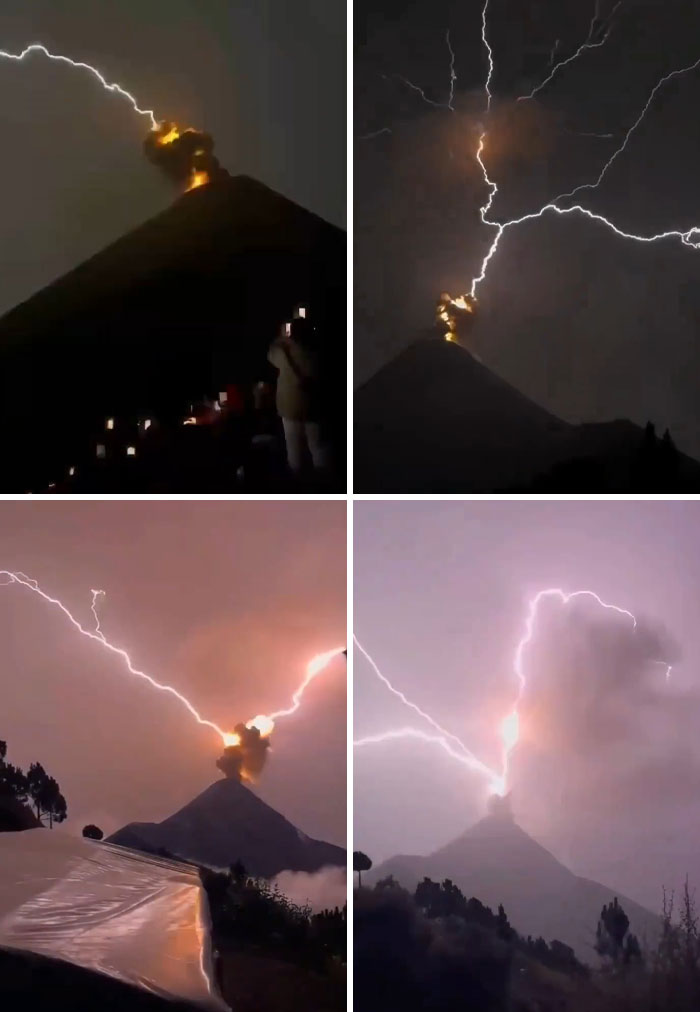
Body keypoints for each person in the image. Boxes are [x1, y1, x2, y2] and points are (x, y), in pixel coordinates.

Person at [267, 318, 329, 478]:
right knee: (318, 447)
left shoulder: (284, 351)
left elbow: (271, 353)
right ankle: (324, 484)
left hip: (290, 409)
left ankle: (298, 485)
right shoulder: (319, 350)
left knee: (293, 449)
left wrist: (282, 337)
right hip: (314, 407)